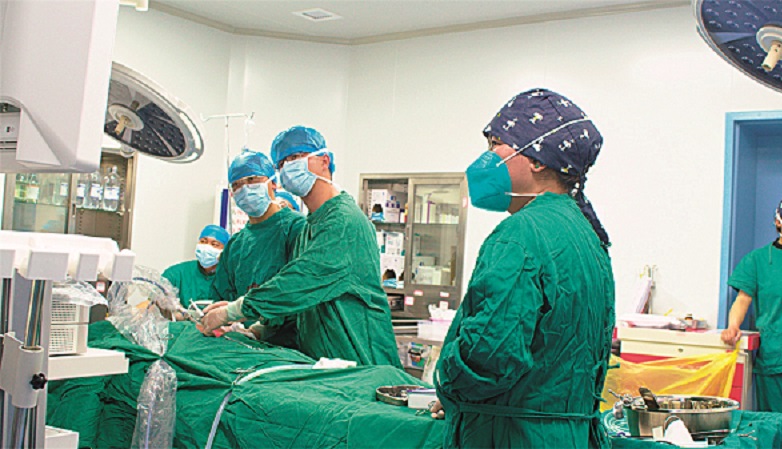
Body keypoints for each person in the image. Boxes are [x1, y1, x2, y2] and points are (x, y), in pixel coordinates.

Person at [432, 88, 615, 449]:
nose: (486, 158)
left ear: (537, 160)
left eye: (496, 144)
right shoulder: (586, 234)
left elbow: (488, 355)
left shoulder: (521, 235)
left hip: (514, 435)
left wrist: (449, 387)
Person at [201, 126, 401, 368]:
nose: (287, 167)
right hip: (325, 363)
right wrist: (260, 329)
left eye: (295, 157)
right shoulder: (310, 227)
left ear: (324, 161)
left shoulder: (343, 221)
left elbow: (300, 282)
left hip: (360, 361)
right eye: (281, 163)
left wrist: (233, 311)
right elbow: (303, 304)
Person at [209, 149, 306, 346]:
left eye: (252, 180)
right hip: (244, 347)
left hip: (291, 346)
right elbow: (221, 298)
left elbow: (301, 290)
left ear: (273, 183)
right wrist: (227, 323)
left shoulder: (297, 229)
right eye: (237, 185)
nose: (244, 189)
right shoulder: (236, 245)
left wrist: (261, 329)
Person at [722, 195, 782, 420]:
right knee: (779, 425)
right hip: (778, 356)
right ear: (778, 222)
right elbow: (742, 299)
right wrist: (733, 326)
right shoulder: (757, 260)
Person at [163, 224, 230, 309]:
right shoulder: (175, 274)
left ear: (225, 251)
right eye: (203, 241)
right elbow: (155, 301)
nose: (206, 248)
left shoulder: (230, 279)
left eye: (214, 244)